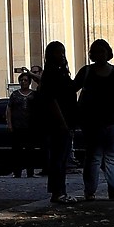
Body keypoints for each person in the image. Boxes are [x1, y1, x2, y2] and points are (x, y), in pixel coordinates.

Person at [72, 37, 114, 202]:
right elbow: (71, 89)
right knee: (95, 157)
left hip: (111, 120)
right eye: (96, 52)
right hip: (93, 121)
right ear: (92, 54)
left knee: (107, 157)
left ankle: (111, 190)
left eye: (102, 51)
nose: (100, 55)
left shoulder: (110, 72)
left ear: (108, 53)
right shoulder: (88, 72)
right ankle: (91, 191)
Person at [35, 41, 77, 202]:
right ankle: (58, 192)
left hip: (62, 120)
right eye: (60, 52)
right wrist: (62, 122)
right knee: (59, 159)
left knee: (60, 158)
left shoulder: (55, 72)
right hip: (59, 122)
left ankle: (59, 191)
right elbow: (52, 100)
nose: (63, 55)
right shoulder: (53, 73)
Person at [7, 72, 35, 178]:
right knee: (17, 150)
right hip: (17, 126)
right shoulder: (15, 95)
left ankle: (30, 172)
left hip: (30, 126)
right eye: (22, 80)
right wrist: (9, 123)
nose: (23, 82)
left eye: (25, 80)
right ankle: (17, 172)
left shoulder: (33, 95)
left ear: (29, 82)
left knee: (30, 150)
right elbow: (9, 108)